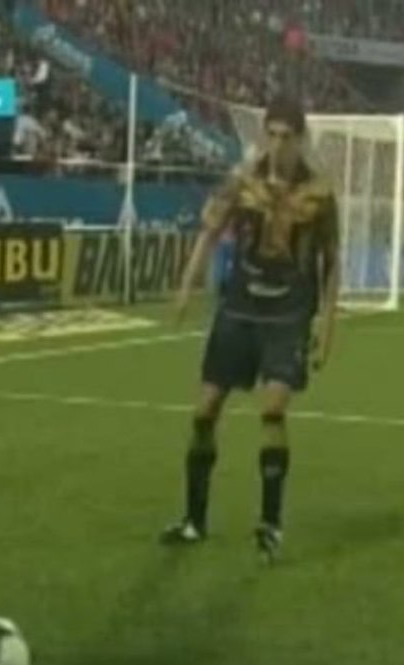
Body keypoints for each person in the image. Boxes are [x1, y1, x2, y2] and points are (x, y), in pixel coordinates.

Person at [160, 96, 341, 562]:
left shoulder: (320, 193)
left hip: (290, 313)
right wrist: (186, 286)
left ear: (300, 140)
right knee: (204, 412)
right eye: (272, 135)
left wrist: (327, 328)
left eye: (287, 137)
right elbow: (209, 231)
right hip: (239, 306)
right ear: (264, 136)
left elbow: (331, 261)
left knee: (273, 409)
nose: (278, 145)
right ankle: (194, 520)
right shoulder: (242, 180)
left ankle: (270, 525)